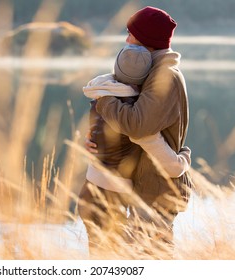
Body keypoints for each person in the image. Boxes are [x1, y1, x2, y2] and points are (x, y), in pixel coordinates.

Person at [78, 6, 194, 256]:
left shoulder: (165, 77)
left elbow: (138, 126)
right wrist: (94, 138)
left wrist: (104, 100)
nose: (127, 40)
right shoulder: (150, 73)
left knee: (152, 257)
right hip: (145, 186)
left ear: (147, 42)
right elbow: (132, 127)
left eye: (131, 34)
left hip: (157, 192)